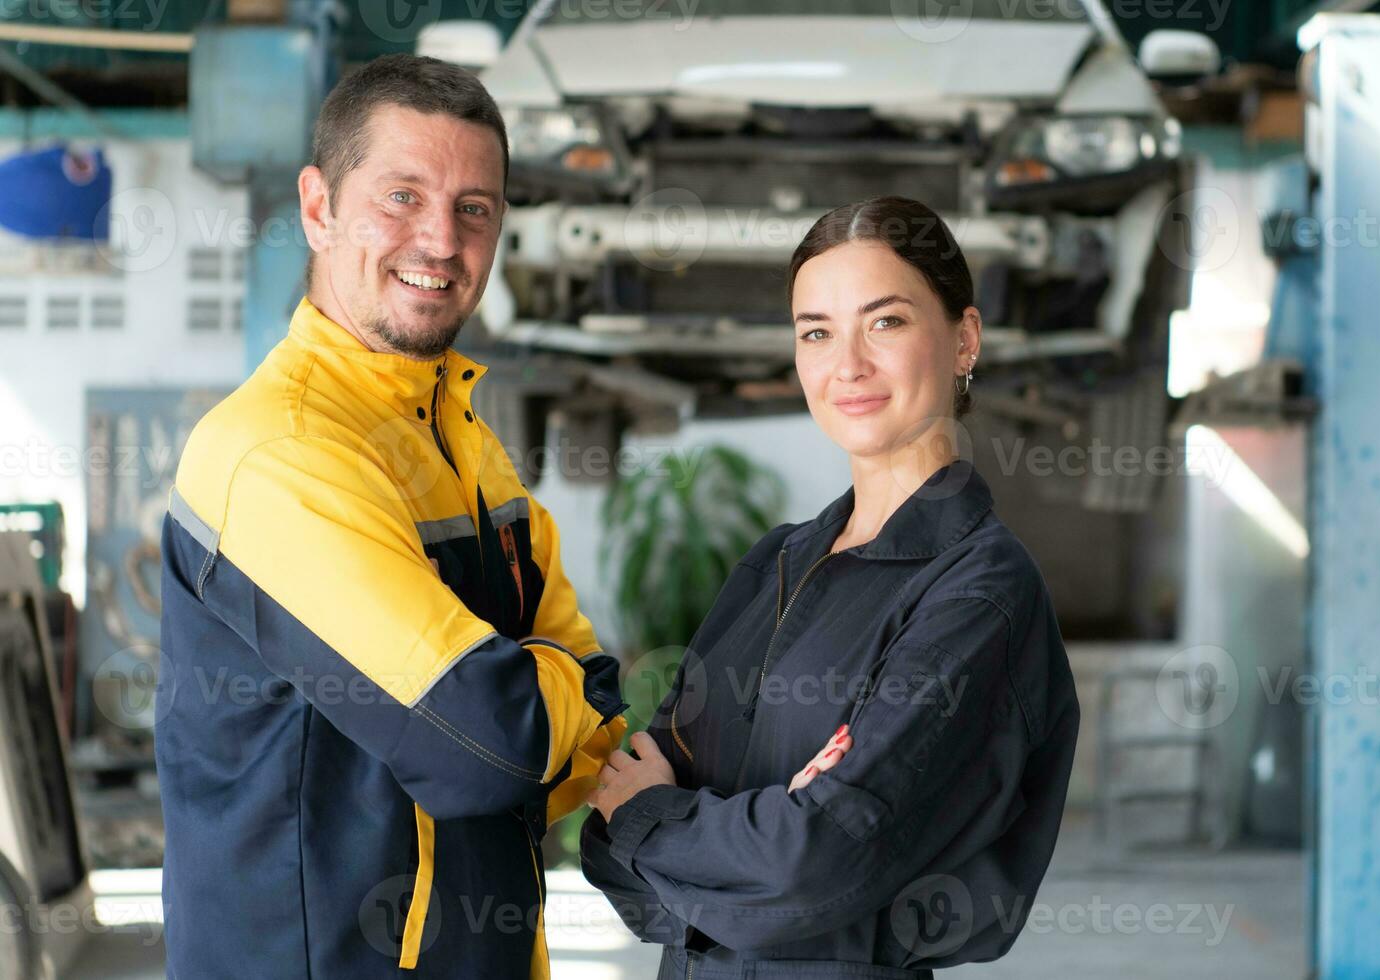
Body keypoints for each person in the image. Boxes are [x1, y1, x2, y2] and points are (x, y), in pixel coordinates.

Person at [157, 54, 626, 979]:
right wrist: (534, 704)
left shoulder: (465, 446)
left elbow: (591, 718)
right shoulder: (277, 455)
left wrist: (535, 704)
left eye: (474, 209)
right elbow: (492, 751)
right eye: (402, 197)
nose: (442, 241)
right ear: (318, 206)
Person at [580, 196, 1081, 978]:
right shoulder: (775, 562)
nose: (846, 365)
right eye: (816, 331)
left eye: (885, 322)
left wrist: (664, 822)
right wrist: (713, 842)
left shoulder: (979, 591)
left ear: (963, 340)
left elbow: (814, 864)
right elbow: (615, 845)